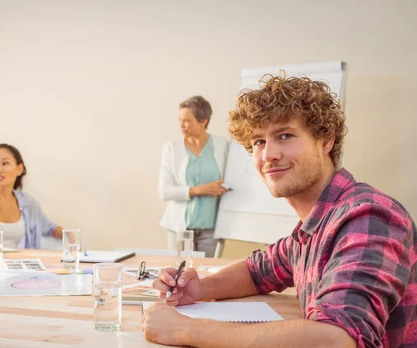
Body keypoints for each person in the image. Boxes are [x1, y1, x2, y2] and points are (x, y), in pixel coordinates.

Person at [143, 75, 416, 348]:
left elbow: (336, 340)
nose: (268, 155)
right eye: (259, 142)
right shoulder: (314, 226)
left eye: (284, 136)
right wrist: (201, 288)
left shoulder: (369, 217)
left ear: (326, 140)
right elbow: (258, 271)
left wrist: (185, 330)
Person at [159, 96, 229, 257]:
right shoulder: (171, 148)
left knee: (207, 275)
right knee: (180, 273)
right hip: (179, 228)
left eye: (187, 121)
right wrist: (200, 190)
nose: (181, 125)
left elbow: (231, 180)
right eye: (180, 120)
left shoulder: (222, 145)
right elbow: (164, 192)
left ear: (203, 121)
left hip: (211, 228)